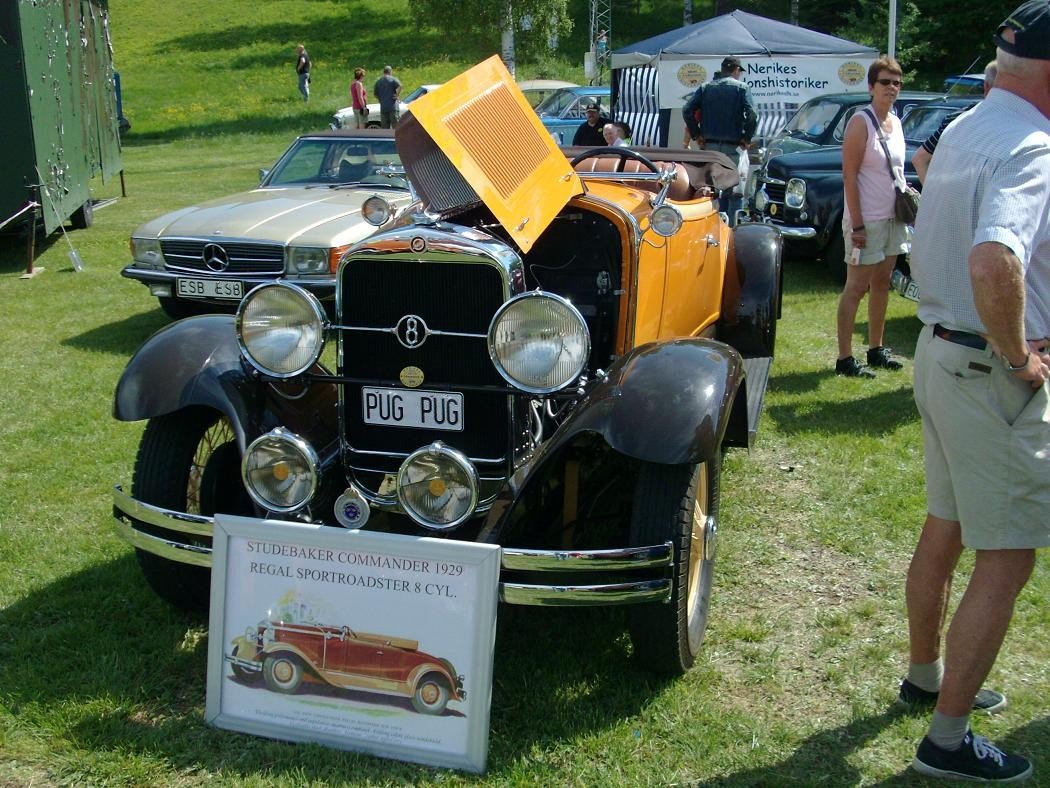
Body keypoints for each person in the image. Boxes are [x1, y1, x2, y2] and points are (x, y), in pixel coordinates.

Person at [903, 1, 1050, 781]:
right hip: (985, 369)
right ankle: (948, 741)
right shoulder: (1032, 145)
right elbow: (994, 260)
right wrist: (1017, 352)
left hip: (938, 351)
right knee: (1008, 555)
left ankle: (926, 675)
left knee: (948, 524)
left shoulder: (967, 125)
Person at [834, 56, 910, 378]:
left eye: (896, 83)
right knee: (856, 287)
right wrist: (859, 224)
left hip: (893, 218)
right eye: (885, 82)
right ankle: (845, 358)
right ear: (871, 86)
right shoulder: (860, 122)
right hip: (867, 220)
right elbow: (849, 177)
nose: (891, 88)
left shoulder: (897, 121)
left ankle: (876, 349)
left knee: (882, 283)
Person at [682, 59, 756, 219]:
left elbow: (687, 109)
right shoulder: (742, 88)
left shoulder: (706, 87)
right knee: (735, 191)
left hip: (710, 148)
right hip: (733, 147)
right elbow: (752, 114)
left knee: (711, 189)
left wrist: (696, 134)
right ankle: (732, 231)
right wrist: (747, 137)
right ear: (736, 70)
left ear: (722, 70)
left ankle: (711, 225)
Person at [913, 60, 997, 183]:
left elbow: (919, 159)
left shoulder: (954, 120)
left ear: (985, 86)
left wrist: (932, 196)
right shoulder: (1015, 126)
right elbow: (919, 159)